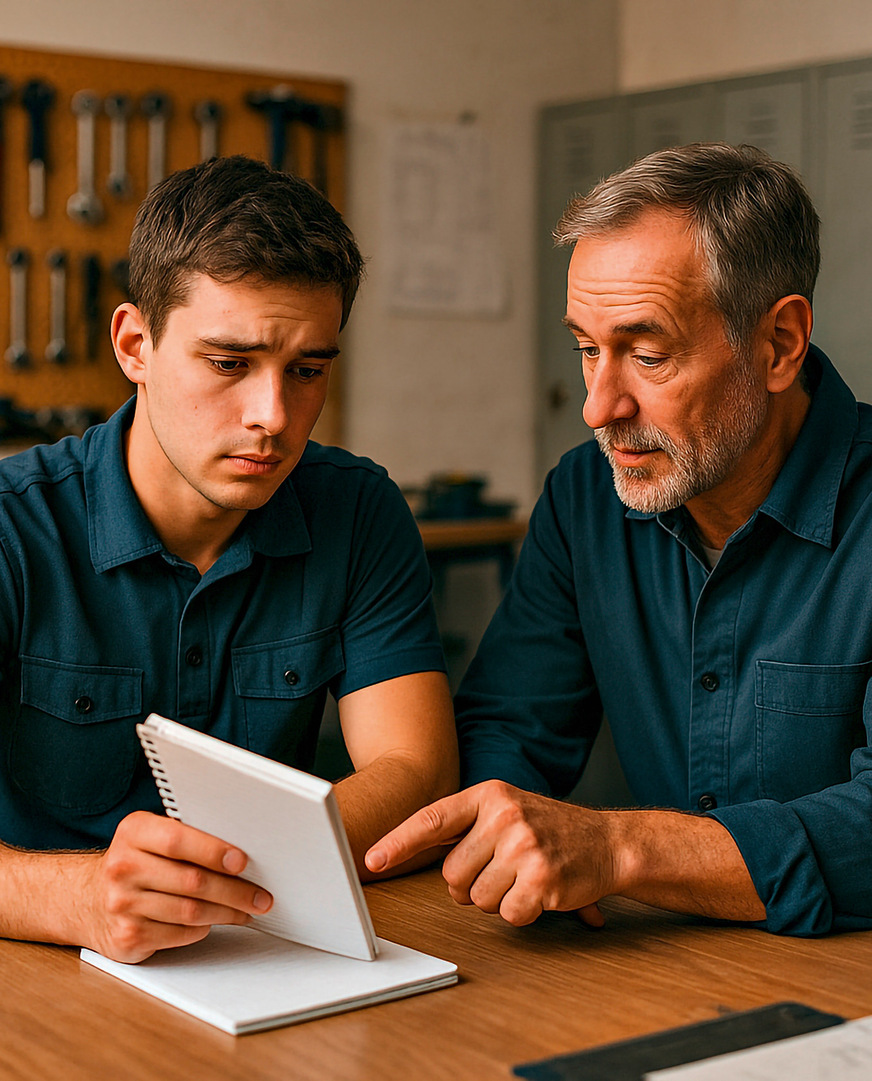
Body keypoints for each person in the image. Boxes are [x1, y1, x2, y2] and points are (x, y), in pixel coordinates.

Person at [367, 142, 872, 938]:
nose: (599, 406)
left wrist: (620, 846)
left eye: (646, 353)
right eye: (585, 349)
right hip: (662, 967)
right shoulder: (584, 498)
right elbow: (510, 728)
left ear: (778, 344)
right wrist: (509, 836)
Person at [0, 155, 457, 963]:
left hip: (261, 951)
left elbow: (413, 764)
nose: (272, 417)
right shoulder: (12, 528)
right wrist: (78, 896)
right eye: (229, 363)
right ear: (135, 344)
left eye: (307, 370)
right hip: (36, 964)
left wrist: (237, 881)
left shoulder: (358, 510)